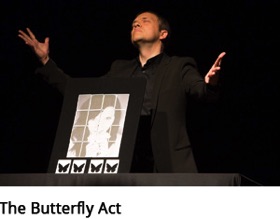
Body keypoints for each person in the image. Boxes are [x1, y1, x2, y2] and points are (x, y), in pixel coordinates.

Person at [18, 10, 226, 173]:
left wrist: (210, 82)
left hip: (168, 161)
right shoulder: (119, 69)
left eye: (145, 20)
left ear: (163, 34)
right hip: (123, 157)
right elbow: (80, 94)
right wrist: (46, 61)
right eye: (134, 22)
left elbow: (202, 92)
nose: (136, 23)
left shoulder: (179, 66)